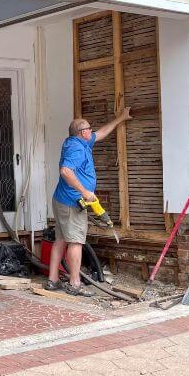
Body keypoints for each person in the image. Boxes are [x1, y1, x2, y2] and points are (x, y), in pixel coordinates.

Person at [46, 109, 132, 296]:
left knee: (61, 239)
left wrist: (120, 118)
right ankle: (75, 284)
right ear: (82, 132)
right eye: (89, 129)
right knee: (75, 241)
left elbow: (100, 133)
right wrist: (85, 192)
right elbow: (65, 171)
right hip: (71, 202)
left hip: (62, 200)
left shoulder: (80, 141)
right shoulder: (76, 148)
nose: (91, 131)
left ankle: (52, 280)